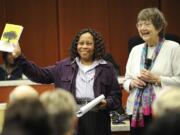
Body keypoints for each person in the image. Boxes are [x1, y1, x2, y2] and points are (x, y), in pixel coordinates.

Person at [11, 28, 122, 135]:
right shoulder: (63, 67)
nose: (84, 46)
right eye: (81, 43)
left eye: (89, 43)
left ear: (96, 46)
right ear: (76, 45)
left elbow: (116, 97)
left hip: (98, 120)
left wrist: (107, 103)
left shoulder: (107, 68)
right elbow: (39, 75)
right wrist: (19, 58)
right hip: (71, 118)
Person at [123, 7, 180, 135]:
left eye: (147, 24)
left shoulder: (173, 48)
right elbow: (126, 80)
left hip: (165, 111)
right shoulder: (135, 50)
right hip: (137, 111)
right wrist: (133, 83)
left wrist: (157, 79)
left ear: (159, 27)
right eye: (140, 24)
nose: (142, 28)